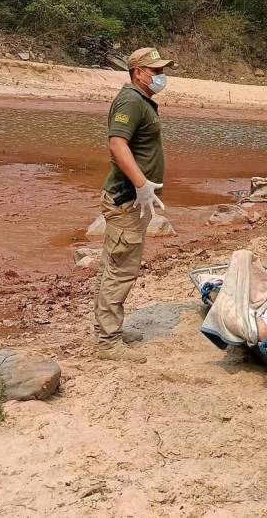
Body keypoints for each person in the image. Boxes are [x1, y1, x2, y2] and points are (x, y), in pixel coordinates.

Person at [93, 47, 174, 363]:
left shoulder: (141, 101)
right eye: (155, 71)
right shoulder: (130, 100)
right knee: (120, 270)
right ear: (137, 72)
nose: (160, 76)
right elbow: (116, 143)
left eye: (161, 71)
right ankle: (108, 341)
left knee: (112, 267)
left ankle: (108, 330)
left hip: (132, 202)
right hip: (127, 201)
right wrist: (141, 185)